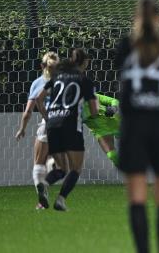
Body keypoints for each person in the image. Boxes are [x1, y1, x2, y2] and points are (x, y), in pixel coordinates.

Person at [116, 0, 159, 253]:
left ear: (135, 20)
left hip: (135, 125)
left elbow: (124, 78)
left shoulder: (124, 46)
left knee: (137, 196)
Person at [36, 49, 98, 211]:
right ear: (84, 62)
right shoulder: (84, 80)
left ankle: (44, 184)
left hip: (52, 125)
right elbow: (94, 112)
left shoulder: (57, 77)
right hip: (70, 125)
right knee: (76, 168)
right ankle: (60, 200)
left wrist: (48, 117)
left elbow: (39, 98)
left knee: (62, 169)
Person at [15, 51, 62, 209]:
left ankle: (41, 195)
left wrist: (22, 128)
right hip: (67, 125)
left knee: (38, 163)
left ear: (42, 66)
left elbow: (28, 111)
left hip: (49, 123)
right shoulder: (66, 81)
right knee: (56, 161)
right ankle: (52, 172)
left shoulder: (39, 83)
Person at [83, 93, 120, 165]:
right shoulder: (72, 106)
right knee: (112, 154)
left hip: (116, 122)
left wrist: (114, 108)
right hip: (100, 130)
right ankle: (128, 171)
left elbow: (114, 100)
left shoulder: (93, 96)